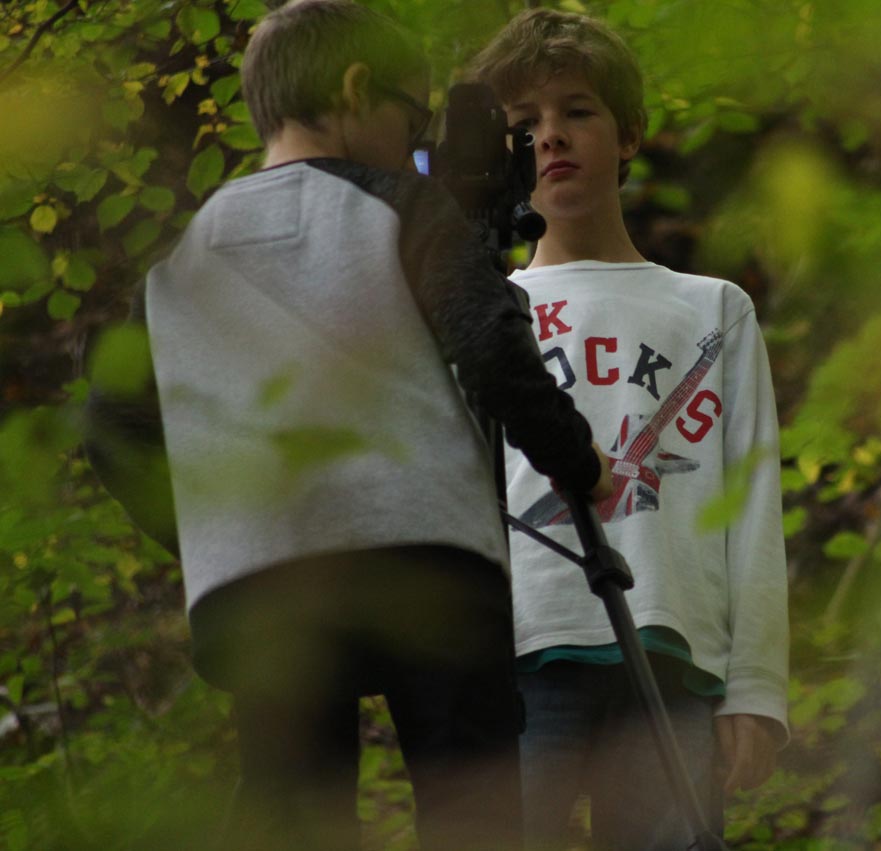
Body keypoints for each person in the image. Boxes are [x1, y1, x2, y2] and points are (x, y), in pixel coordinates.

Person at [84, 1, 611, 848]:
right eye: (410, 118)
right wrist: (577, 459)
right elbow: (491, 348)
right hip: (425, 557)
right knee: (469, 798)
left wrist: (211, 525)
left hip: (264, 580)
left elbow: (111, 425)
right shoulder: (403, 206)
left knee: (294, 809)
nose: (414, 144)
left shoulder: (181, 258)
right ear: (357, 90)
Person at [466, 9, 790, 849]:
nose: (550, 136)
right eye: (523, 124)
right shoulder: (480, 312)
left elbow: (752, 500)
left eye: (577, 110)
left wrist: (755, 686)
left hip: (671, 653)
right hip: (520, 648)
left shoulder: (713, 309)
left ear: (630, 133)